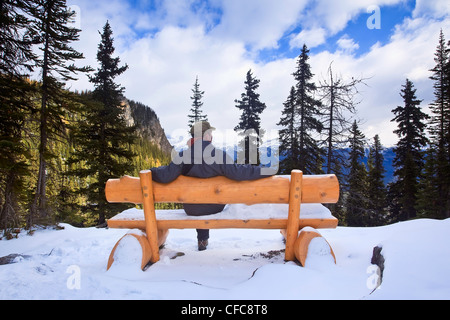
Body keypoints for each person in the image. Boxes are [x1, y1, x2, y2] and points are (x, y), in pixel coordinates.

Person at [150, 121, 270, 251]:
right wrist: (264, 170)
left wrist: (151, 171)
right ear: (207, 136)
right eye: (210, 134)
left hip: (191, 208)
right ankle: (203, 240)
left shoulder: (183, 156)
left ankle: (202, 239)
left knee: (197, 200)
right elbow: (239, 172)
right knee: (208, 199)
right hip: (215, 207)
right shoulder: (219, 155)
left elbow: (165, 175)